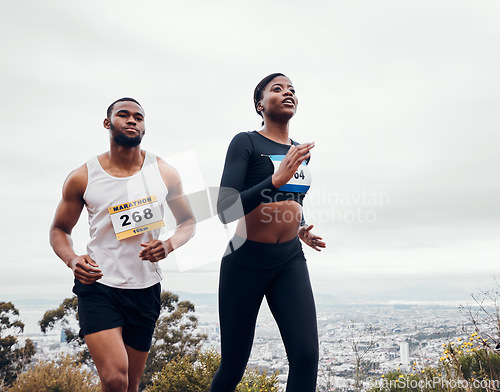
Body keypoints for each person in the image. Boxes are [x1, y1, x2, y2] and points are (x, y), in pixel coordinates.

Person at [49, 97, 195, 392]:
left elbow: (188, 222)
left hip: (145, 289)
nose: (132, 120)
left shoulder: (165, 172)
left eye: (138, 117)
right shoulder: (83, 177)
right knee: (115, 378)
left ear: (144, 127)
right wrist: (72, 259)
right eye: (123, 115)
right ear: (107, 123)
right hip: (99, 287)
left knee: (131, 384)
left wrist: (168, 245)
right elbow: (60, 229)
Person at [211, 73, 326, 392]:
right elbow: (226, 208)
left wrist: (302, 228)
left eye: (292, 89)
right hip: (244, 259)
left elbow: (294, 200)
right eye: (277, 89)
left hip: (289, 259)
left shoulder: (300, 150)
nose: (287, 93)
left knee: (305, 357)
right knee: (233, 366)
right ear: (260, 104)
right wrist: (275, 180)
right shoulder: (245, 142)